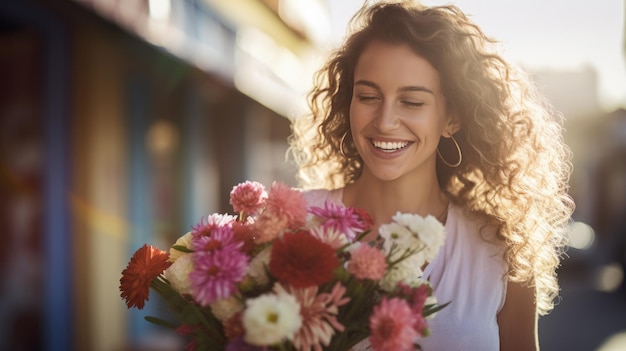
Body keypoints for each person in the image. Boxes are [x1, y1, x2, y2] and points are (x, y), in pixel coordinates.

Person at [288, 1, 575, 350]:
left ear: (452, 117)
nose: (384, 121)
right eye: (367, 96)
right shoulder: (291, 224)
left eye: (412, 102)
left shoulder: (501, 252)